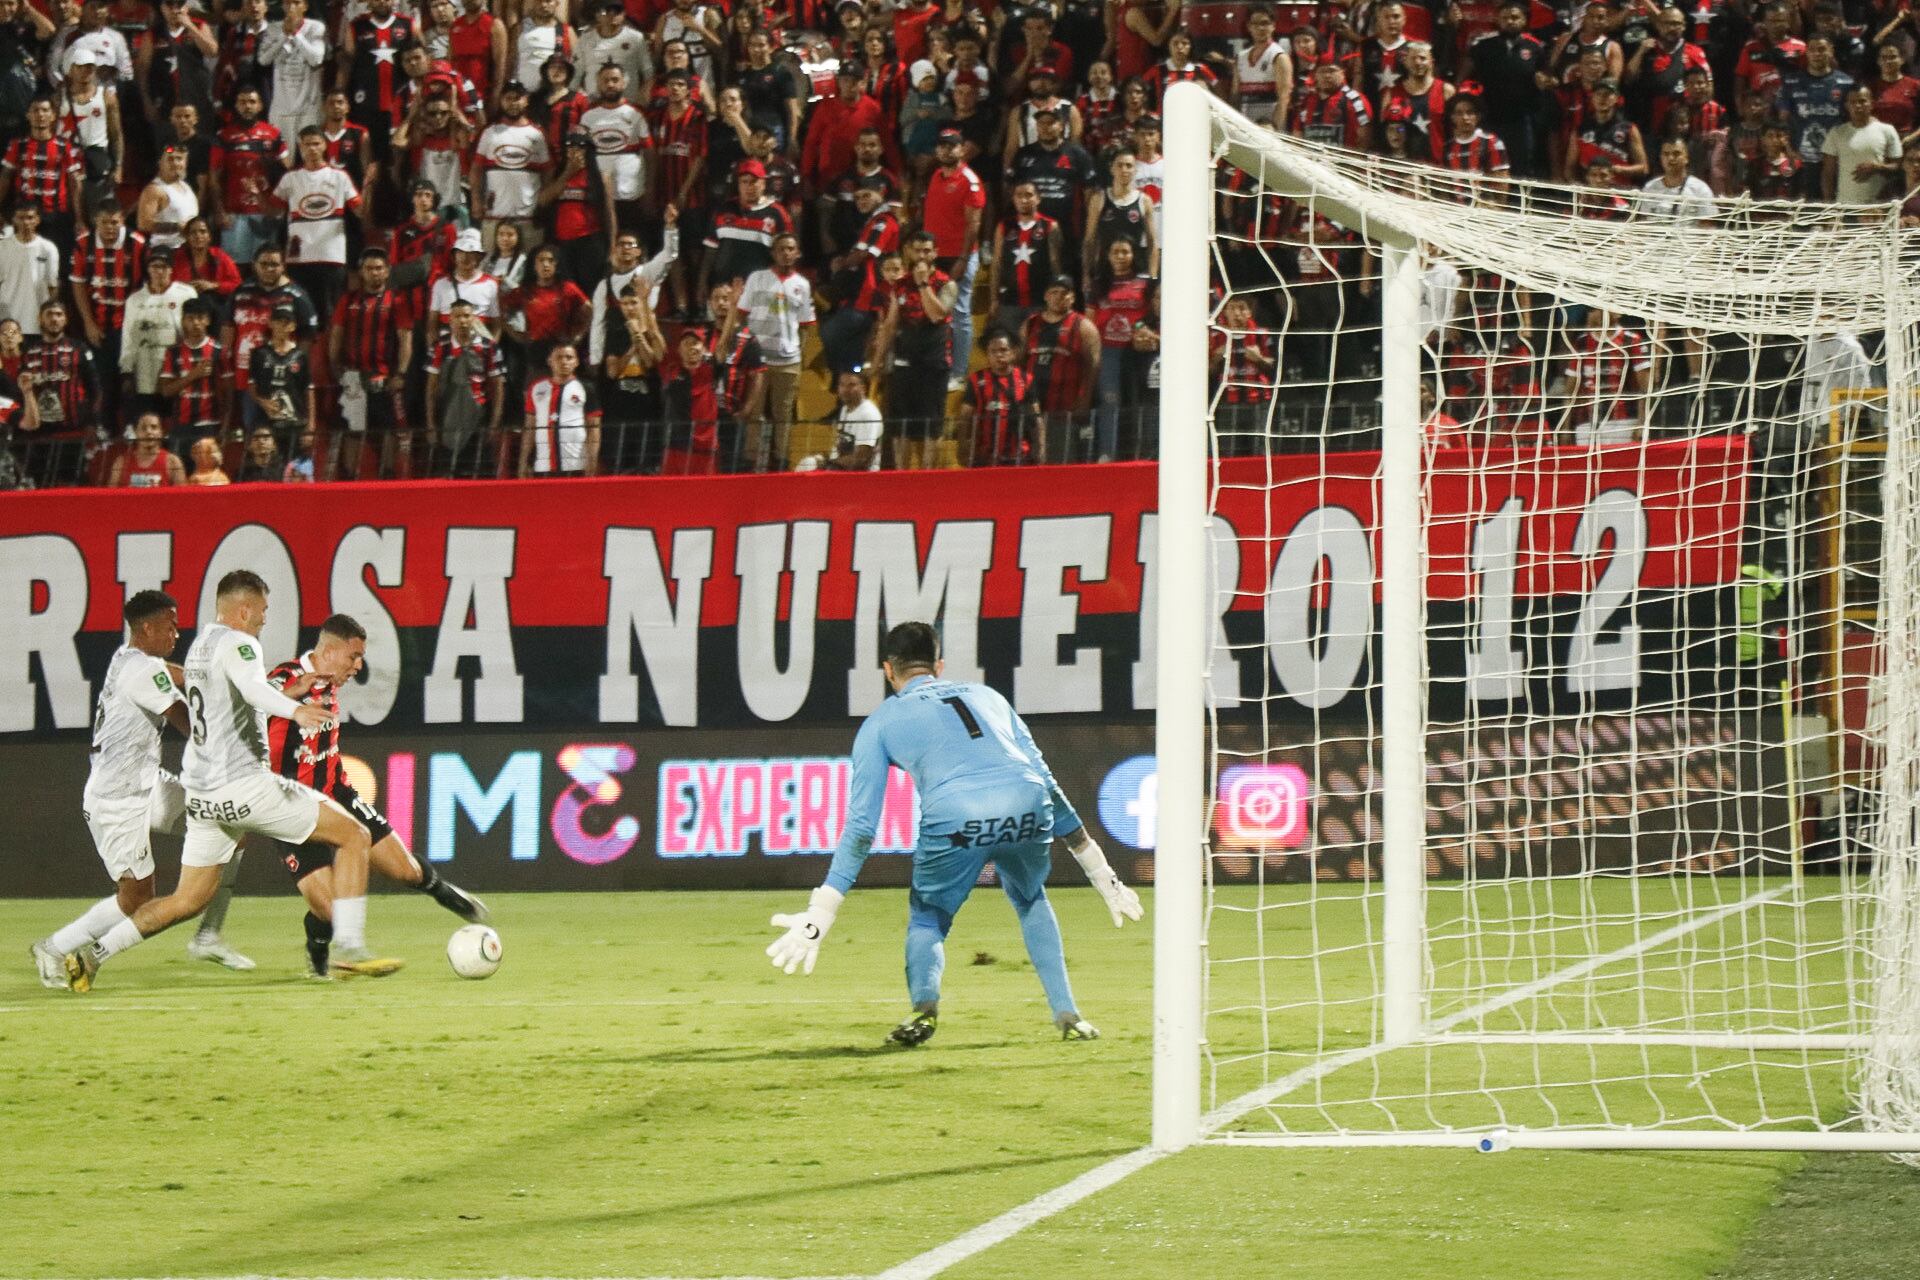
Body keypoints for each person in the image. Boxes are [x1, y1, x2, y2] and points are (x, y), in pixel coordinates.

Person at [764, 620, 1141, 1044]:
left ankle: (923, 1014)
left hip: (956, 815)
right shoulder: (989, 696)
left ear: (888, 670)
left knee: (928, 916)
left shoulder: (880, 723)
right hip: (1027, 801)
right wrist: (1100, 872)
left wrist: (822, 911)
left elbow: (862, 827)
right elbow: (1046, 780)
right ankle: (1068, 1013)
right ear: (938, 666)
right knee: (1030, 897)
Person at [62, 571, 398, 991]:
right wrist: (296, 711)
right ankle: (349, 948)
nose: (263, 620)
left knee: (187, 900)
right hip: (245, 786)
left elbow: (236, 698)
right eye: (261, 611)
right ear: (244, 609)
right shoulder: (242, 643)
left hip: (203, 794)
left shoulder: (203, 645)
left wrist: (289, 693)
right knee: (354, 835)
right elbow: (254, 689)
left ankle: (92, 956)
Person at [31, 591, 254, 989]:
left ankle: (208, 936)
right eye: (170, 625)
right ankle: (53, 946)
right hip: (117, 800)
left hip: (147, 785)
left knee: (231, 821)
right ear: (147, 628)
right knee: (136, 900)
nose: (177, 632)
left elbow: (171, 672)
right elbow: (188, 722)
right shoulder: (142, 672)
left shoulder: (129, 659)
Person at [264, 615, 487, 978]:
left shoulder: (328, 681)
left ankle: (444, 892)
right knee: (331, 913)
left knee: (407, 871)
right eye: (353, 656)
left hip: (337, 792)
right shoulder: (287, 679)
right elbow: (251, 705)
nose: (358, 666)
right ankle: (319, 946)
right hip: (291, 805)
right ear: (330, 650)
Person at [726, 231, 813, 471]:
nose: (786, 253)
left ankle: (780, 464)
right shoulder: (757, 278)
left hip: (788, 361)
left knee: (783, 416)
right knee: (754, 413)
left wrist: (800, 357)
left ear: (797, 253)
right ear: (773, 253)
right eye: (781, 249)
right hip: (758, 361)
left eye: (790, 249)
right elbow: (742, 314)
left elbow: (805, 326)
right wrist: (747, 350)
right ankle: (750, 463)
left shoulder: (802, 285)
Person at [331, 247, 416, 479]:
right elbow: (337, 333)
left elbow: (405, 339)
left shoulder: (397, 300)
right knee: (352, 430)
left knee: (387, 430)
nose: (374, 273)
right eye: (369, 268)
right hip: (353, 376)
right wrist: (336, 366)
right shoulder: (348, 300)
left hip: (384, 377)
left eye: (379, 268)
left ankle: (388, 474)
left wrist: (400, 373)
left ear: (387, 271)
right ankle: (348, 477)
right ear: (361, 272)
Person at [272, 125, 360, 316]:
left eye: (316, 143)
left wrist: (369, 187)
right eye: (307, 144)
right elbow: (273, 211)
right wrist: (259, 193)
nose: (312, 148)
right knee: (299, 312)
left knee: (330, 312)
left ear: (324, 146)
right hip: (299, 256)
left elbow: (360, 211)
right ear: (300, 147)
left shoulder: (339, 177)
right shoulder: (290, 178)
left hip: (331, 255)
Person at [921, 127, 985, 390]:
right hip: (934, 255)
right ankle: (936, 365)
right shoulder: (936, 175)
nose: (947, 150)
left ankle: (958, 373)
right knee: (930, 310)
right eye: (943, 145)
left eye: (952, 145)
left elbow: (974, 224)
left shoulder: (969, 180)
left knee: (959, 312)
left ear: (962, 148)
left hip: (959, 255)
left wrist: (962, 258)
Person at [425, 297, 506, 475]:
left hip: (480, 419)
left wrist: (494, 422)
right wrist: (431, 423)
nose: (463, 321)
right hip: (447, 419)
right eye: (458, 316)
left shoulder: (489, 347)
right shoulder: (439, 347)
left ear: (474, 318)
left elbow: (498, 386)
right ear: (449, 320)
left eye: (467, 316)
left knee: (480, 474)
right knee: (446, 474)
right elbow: (431, 388)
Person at [206, 85, 281, 266]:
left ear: (260, 105)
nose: (247, 106)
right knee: (235, 267)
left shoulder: (274, 134)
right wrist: (219, 211)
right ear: (236, 106)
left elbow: (284, 174)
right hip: (234, 214)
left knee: (266, 266)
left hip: (265, 213)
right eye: (242, 102)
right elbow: (214, 178)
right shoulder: (224, 136)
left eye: (252, 102)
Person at [120, 251, 195, 420]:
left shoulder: (186, 293)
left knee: (175, 417)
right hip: (145, 367)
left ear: (170, 269)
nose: (159, 271)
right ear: (148, 269)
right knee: (149, 417)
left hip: (176, 367)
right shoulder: (135, 299)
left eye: (163, 267)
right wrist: (126, 370)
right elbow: (128, 336)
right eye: (154, 266)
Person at [518, 339, 600, 476]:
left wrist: (592, 461)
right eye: (559, 357)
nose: (564, 362)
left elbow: (594, 429)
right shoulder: (536, 388)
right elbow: (530, 427)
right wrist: (523, 461)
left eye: (569, 357)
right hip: (543, 464)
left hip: (576, 463)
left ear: (576, 362)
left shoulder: (586, 388)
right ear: (550, 361)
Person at [965, 330, 1042, 466]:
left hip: (1020, 458)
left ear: (1013, 352)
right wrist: (963, 448)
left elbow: (1036, 419)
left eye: (1003, 350)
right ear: (987, 354)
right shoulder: (976, 380)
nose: (999, 355)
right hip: (985, 459)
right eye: (993, 351)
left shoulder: (1026, 380)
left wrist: (1040, 448)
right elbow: (966, 418)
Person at [257, 0, 327, 142]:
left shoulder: (316, 27)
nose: (291, 7)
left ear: (305, 6)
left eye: (296, 2)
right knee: (282, 158)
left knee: (308, 155)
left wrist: (295, 33)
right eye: (287, 3)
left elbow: (316, 59)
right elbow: (263, 60)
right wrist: (283, 36)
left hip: (308, 108)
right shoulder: (272, 29)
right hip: (281, 107)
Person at [1822, 84, 1902, 202]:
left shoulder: (1887, 130)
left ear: (1872, 104)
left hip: (1878, 207)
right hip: (1845, 205)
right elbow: (1828, 172)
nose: (1858, 106)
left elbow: (1898, 167)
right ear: (1847, 106)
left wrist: (1877, 167)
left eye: (1862, 101)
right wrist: (1828, 205)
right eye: (1853, 102)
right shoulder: (1837, 133)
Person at [797, 366, 881, 470]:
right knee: (808, 463)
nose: (845, 390)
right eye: (842, 385)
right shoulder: (845, 409)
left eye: (851, 385)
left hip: (861, 474)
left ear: (863, 388)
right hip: (841, 466)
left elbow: (861, 459)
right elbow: (839, 447)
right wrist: (825, 460)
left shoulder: (868, 414)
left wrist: (827, 463)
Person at [106, 411, 185, 485]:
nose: (149, 432)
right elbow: (110, 496)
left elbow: (182, 496)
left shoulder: (173, 462)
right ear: (136, 432)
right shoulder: (121, 462)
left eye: (154, 427)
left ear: (161, 432)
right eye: (143, 428)